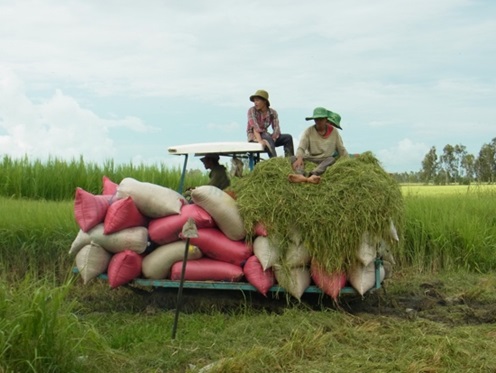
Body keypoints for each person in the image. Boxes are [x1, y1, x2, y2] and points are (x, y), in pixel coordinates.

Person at [289, 107, 349, 184]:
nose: (319, 122)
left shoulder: (334, 132)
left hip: (324, 159)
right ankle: (301, 175)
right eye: (316, 119)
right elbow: (301, 147)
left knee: (331, 159)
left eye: (321, 119)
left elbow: (341, 149)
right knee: (292, 158)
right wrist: (299, 157)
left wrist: (348, 161)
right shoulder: (309, 131)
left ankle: (314, 174)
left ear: (326, 119)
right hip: (310, 158)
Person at [246, 89, 294, 158]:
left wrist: (273, 139)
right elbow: (255, 127)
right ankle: (275, 161)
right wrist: (260, 141)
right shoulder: (252, 110)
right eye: (254, 100)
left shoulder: (272, 112)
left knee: (288, 137)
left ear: (264, 101)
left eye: (257, 100)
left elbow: (276, 128)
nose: (255, 103)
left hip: (267, 136)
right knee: (266, 136)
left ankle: (290, 160)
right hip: (255, 136)